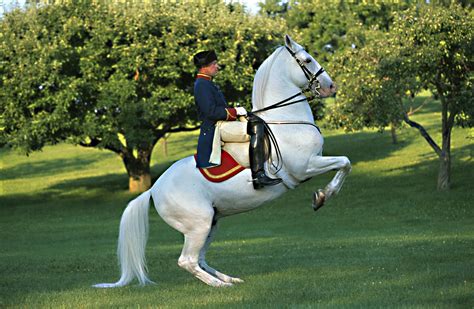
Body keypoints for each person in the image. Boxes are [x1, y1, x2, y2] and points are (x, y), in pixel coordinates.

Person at [193, 50, 282, 189]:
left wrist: (239, 112)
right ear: (205, 67)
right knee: (256, 127)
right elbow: (211, 112)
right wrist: (235, 111)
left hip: (221, 123)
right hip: (215, 127)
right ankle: (258, 175)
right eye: (214, 64)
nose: (217, 67)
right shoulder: (201, 85)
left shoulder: (207, 83)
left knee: (256, 120)